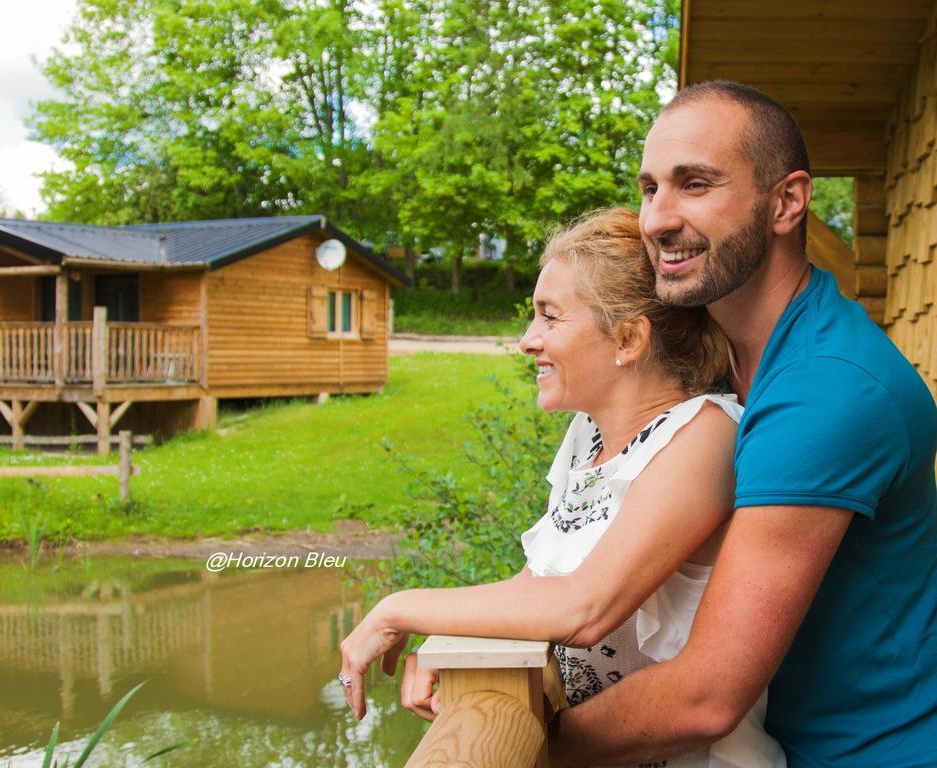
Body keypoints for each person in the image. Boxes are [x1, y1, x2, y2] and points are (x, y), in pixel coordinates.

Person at [543, 81, 937, 768]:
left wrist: (536, 748)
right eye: (649, 188)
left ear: (787, 202)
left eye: (694, 184)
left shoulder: (827, 390)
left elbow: (705, 698)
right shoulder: (716, 361)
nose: (658, 219)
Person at [338, 207, 787, 767]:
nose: (528, 341)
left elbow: (585, 607)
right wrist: (453, 639)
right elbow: (538, 586)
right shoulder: (588, 435)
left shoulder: (703, 436)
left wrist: (398, 610)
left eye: (550, 318)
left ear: (628, 338)